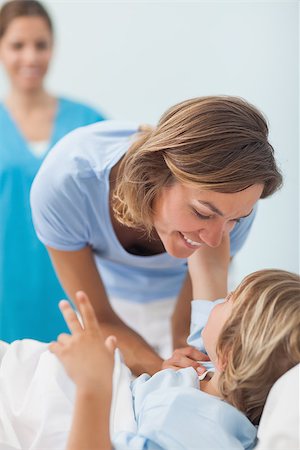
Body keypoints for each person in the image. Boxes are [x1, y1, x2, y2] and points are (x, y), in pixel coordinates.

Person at [30, 95, 283, 375]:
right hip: (112, 301)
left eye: (235, 220)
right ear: (154, 175)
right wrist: (161, 371)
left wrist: (191, 367)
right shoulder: (67, 183)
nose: (214, 240)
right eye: (202, 213)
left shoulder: (233, 201)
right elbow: (100, 318)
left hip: (185, 299)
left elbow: (198, 330)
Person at [0, 266, 298, 450]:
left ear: (229, 352)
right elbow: (210, 268)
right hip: (23, 372)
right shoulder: (211, 371)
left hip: (28, 406)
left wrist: (94, 384)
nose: (221, 299)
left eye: (231, 299)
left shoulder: (195, 422)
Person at [0, 0, 105, 342]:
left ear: (53, 48)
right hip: (6, 290)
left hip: (74, 288)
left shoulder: (88, 123)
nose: (30, 57)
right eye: (18, 45)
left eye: (40, 45)